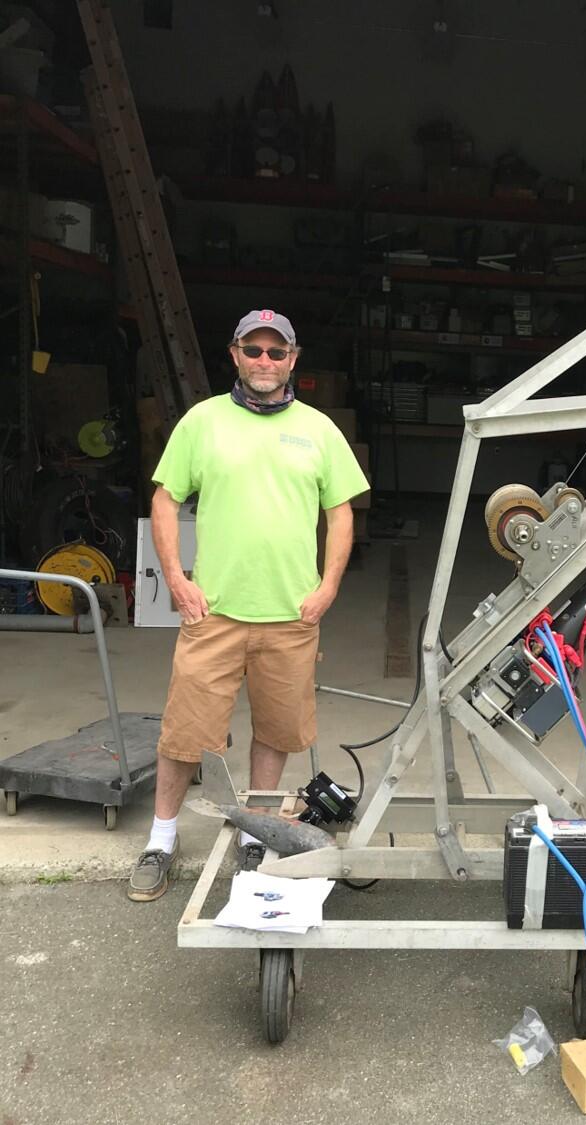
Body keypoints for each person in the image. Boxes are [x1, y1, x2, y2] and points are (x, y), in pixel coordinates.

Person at [127, 309, 368, 902]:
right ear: (233, 354)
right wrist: (177, 581)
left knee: (277, 730)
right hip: (215, 615)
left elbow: (341, 513)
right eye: (253, 351)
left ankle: (254, 836)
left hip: (291, 617)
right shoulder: (202, 423)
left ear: (294, 359)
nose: (265, 362)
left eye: (276, 352)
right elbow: (164, 500)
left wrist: (328, 587)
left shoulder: (319, 430)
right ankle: (161, 839)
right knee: (185, 732)